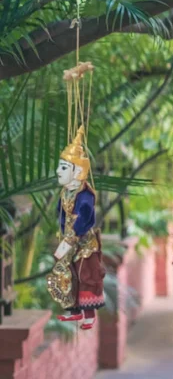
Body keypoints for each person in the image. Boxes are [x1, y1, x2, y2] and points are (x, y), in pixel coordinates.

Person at [46, 126, 105, 330]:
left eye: (63, 167)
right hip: (68, 240)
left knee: (85, 276)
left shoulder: (84, 195)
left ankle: (88, 315)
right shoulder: (66, 192)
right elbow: (61, 215)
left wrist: (70, 238)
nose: (58, 171)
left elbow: (84, 216)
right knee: (66, 274)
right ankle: (72, 311)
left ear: (78, 171)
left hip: (83, 242)